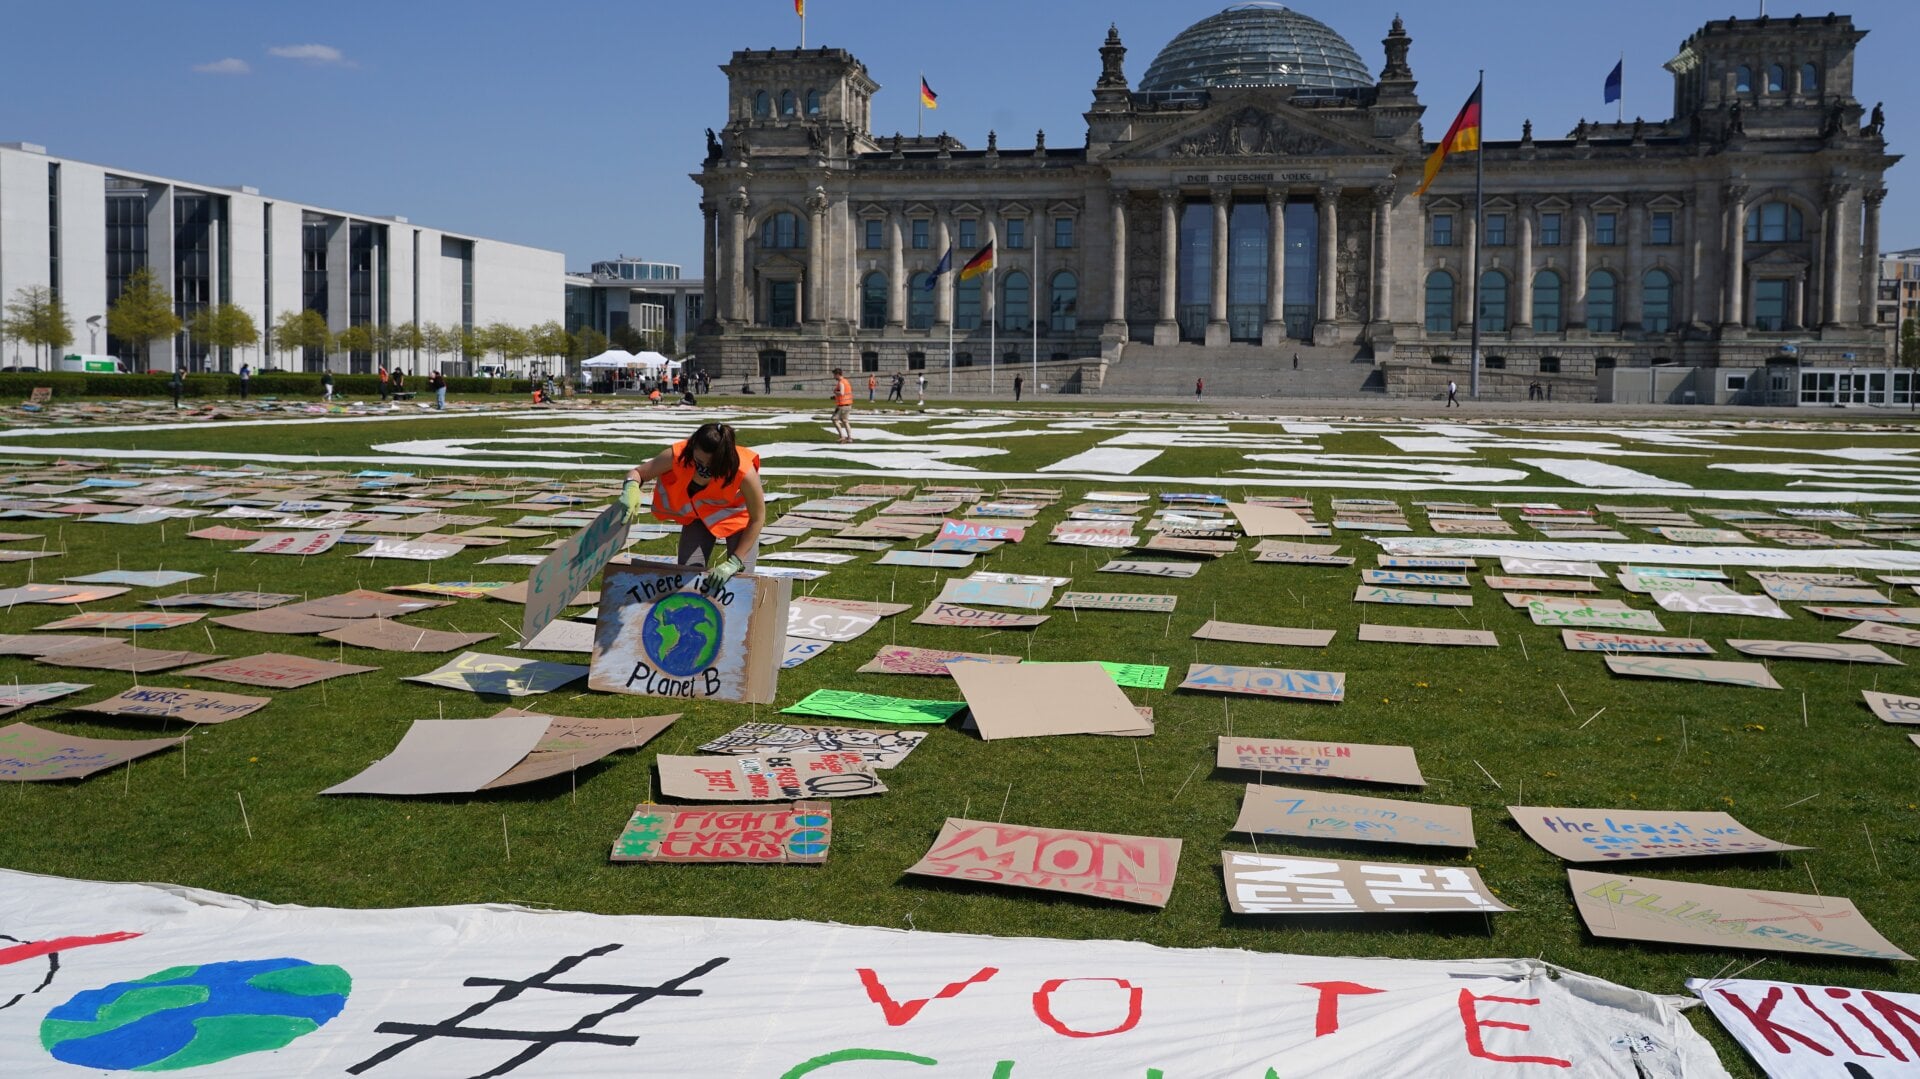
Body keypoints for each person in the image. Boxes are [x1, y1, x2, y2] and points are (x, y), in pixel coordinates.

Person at [619, 421, 765, 591]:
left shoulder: (744, 471)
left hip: (737, 518)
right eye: (699, 460)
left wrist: (735, 560)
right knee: (686, 576)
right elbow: (638, 473)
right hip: (699, 516)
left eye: (711, 465)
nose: (703, 468)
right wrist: (631, 487)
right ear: (693, 447)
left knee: (740, 583)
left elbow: (758, 517)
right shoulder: (679, 455)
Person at [830, 367, 854, 443]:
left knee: (834, 419)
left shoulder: (841, 382)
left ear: (837, 374)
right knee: (845, 421)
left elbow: (842, 393)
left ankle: (842, 436)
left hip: (842, 405)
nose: (833, 377)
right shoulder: (846, 381)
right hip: (848, 404)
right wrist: (835, 397)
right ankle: (849, 438)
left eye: (834, 375)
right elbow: (845, 393)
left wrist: (835, 392)